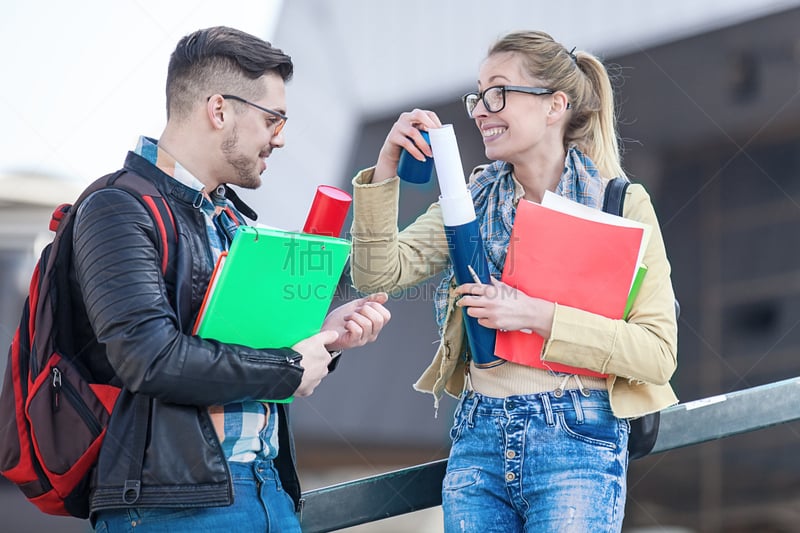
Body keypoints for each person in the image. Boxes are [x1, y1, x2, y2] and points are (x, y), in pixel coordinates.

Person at [350, 30, 677, 532]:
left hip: (578, 437)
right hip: (478, 436)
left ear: (554, 106)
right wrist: (387, 168)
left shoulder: (620, 205)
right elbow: (378, 272)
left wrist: (533, 313)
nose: (481, 109)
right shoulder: (471, 201)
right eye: (478, 95)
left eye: (498, 92)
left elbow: (656, 353)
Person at [73, 26, 390, 532]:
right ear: (219, 110)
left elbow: (248, 350)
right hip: (171, 505)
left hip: (269, 488)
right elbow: (148, 358)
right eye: (272, 119)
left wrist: (323, 340)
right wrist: (288, 368)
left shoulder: (234, 222)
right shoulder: (116, 209)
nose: (280, 137)